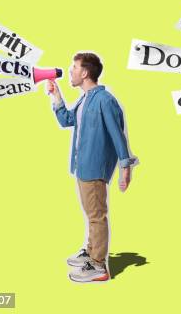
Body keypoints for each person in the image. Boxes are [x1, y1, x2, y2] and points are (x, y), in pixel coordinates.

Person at [46, 52, 138, 283]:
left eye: (74, 67)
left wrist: (125, 168)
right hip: (82, 166)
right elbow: (67, 120)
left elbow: (118, 136)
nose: (70, 71)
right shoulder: (85, 98)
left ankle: (98, 265)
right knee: (91, 213)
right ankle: (91, 251)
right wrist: (57, 96)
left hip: (95, 168)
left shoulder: (104, 100)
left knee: (97, 216)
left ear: (85, 72)